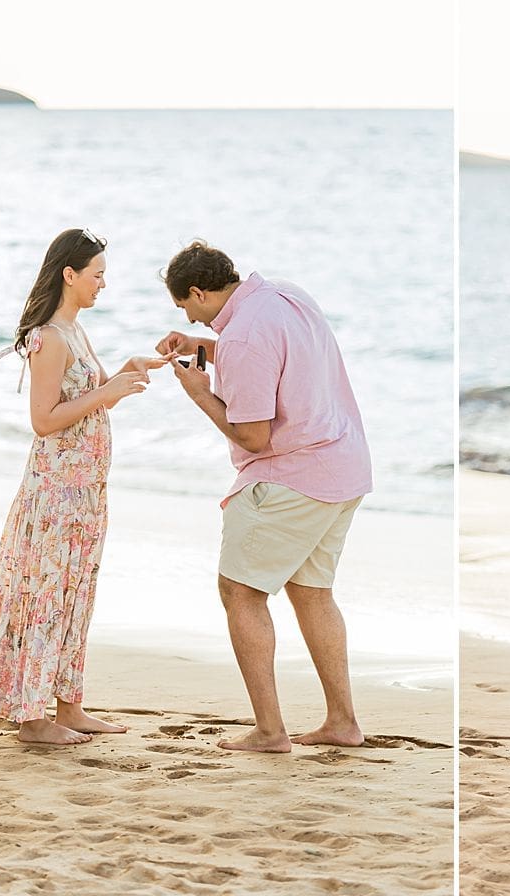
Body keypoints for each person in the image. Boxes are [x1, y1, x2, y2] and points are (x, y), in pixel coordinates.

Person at [0, 228, 171, 745]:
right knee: (45, 594)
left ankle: (69, 705)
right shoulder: (48, 337)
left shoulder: (76, 331)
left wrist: (125, 373)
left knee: (77, 593)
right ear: (69, 275)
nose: (104, 284)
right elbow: (45, 420)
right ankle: (32, 718)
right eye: (97, 274)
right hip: (55, 491)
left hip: (87, 489)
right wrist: (109, 391)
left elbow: (88, 397)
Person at [157, 241, 373, 753]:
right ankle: (342, 723)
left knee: (241, 592)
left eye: (186, 308)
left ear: (198, 292)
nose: (191, 317)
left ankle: (270, 732)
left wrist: (199, 393)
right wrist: (201, 346)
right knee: (311, 591)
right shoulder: (284, 295)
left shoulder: (243, 337)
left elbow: (253, 436)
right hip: (343, 468)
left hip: (292, 478)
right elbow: (279, 360)